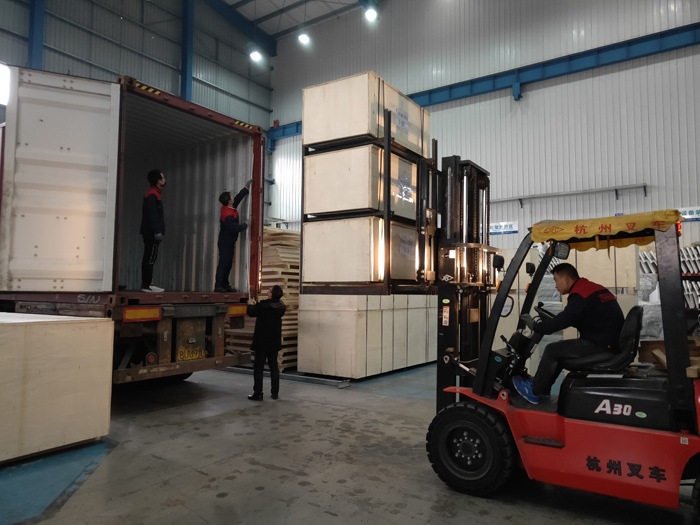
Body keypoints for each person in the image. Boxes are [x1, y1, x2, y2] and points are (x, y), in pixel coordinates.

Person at [513, 263, 625, 405]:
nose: (555, 286)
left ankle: (534, 391)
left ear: (566, 279)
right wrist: (552, 322)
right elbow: (572, 317)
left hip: (601, 346)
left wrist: (535, 326)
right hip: (608, 342)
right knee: (560, 350)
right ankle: (543, 389)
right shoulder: (591, 289)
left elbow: (563, 320)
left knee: (552, 349)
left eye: (556, 280)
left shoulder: (580, 295)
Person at [246, 285, 286, 401]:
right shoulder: (281, 307)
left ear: (271, 294)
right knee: (274, 367)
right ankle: (275, 393)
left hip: (262, 342)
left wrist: (250, 304)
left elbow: (251, 312)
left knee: (259, 367)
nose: (268, 291)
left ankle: (258, 393)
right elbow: (261, 308)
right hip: (274, 342)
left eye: (269, 290)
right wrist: (256, 304)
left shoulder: (264, 306)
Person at [214, 181, 251, 293]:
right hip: (225, 242)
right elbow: (235, 228)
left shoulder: (229, 207)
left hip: (229, 241)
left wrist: (245, 189)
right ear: (229, 201)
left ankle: (225, 284)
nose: (233, 197)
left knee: (228, 263)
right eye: (231, 197)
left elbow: (238, 199)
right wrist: (246, 224)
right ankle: (218, 285)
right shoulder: (227, 215)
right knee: (224, 263)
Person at [139, 169, 166, 293]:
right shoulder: (152, 194)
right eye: (162, 178)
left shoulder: (154, 193)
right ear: (158, 181)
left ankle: (148, 283)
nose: (164, 180)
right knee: (150, 258)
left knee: (151, 257)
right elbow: (152, 214)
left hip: (150, 232)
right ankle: (146, 285)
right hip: (151, 233)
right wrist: (157, 231)